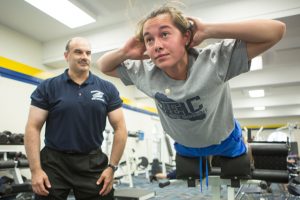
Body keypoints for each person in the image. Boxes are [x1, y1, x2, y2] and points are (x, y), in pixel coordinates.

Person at [97, 5, 285, 188]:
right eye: (149, 40)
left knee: (237, 168)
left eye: (164, 34)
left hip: (225, 140)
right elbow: (103, 65)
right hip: (186, 145)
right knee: (193, 176)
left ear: (186, 37)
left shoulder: (215, 60)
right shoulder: (145, 73)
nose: (157, 46)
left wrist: (208, 30)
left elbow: (276, 30)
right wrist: (125, 52)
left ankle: (243, 145)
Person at [24, 37, 127, 200]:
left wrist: (112, 167)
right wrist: (35, 170)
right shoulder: (48, 86)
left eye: (88, 53)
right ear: (66, 56)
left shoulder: (107, 88)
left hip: (92, 162)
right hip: (54, 162)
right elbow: (33, 127)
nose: (84, 56)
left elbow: (120, 128)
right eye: (78, 52)